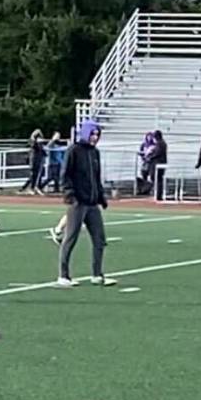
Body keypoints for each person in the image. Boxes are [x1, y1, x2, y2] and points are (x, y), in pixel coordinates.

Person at [57, 119, 115, 287]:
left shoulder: (95, 153)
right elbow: (65, 175)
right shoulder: (74, 150)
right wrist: (71, 196)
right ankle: (63, 275)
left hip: (92, 203)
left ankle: (97, 274)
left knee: (99, 239)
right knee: (70, 238)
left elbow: (96, 178)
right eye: (92, 134)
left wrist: (101, 197)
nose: (95, 138)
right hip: (78, 202)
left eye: (97, 134)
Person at [21, 129, 45, 196]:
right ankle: (30, 188)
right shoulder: (33, 142)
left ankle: (35, 187)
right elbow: (33, 146)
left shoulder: (39, 143)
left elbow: (42, 150)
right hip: (34, 160)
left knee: (38, 174)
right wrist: (34, 140)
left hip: (38, 160)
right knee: (33, 174)